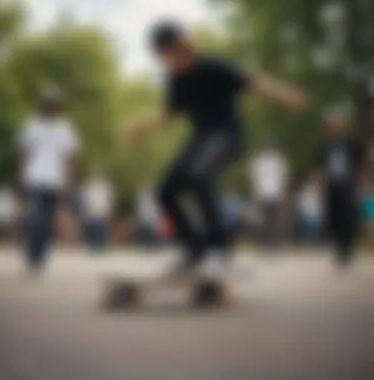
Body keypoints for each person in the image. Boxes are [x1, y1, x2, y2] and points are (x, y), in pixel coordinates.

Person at [128, 21, 306, 278]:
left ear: (183, 46)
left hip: (228, 136)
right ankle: (194, 249)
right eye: (164, 56)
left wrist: (285, 96)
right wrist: (141, 129)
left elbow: (252, 83)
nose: (169, 60)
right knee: (165, 191)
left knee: (198, 176)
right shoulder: (176, 80)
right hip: (200, 140)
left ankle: (218, 248)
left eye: (171, 52)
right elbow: (169, 113)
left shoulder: (213, 67)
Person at [18, 87, 80, 273]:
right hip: (35, 178)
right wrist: (21, 177)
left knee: (47, 220)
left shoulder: (64, 129)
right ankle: (32, 255)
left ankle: (42, 254)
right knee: (34, 217)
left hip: (55, 181)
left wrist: (68, 181)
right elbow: (24, 153)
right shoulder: (32, 126)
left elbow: (69, 157)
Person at [316, 111, 366, 267]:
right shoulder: (324, 146)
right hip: (332, 185)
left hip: (348, 185)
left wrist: (361, 184)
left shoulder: (351, 143)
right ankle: (338, 247)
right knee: (334, 217)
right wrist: (321, 188)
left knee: (348, 216)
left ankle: (347, 248)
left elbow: (360, 165)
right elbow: (320, 169)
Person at [250, 137, 290, 251]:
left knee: (273, 218)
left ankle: (272, 242)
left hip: (275, 193)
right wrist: (255, 192)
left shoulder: (279, 161)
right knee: (263, 219)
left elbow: (284, 178)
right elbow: (255, 179)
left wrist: (283, 191)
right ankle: (265, 242)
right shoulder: (258, 161)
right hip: (263, 194)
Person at [80, 172, 114, 253]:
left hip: (100, 212)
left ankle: (100, 246)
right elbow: (84, 201)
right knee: (92, 230)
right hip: (91, 213)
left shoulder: (104, 188)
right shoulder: (88, 189)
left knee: (100, 230)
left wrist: (108, 210)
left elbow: (108, 200)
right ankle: (92, 245)